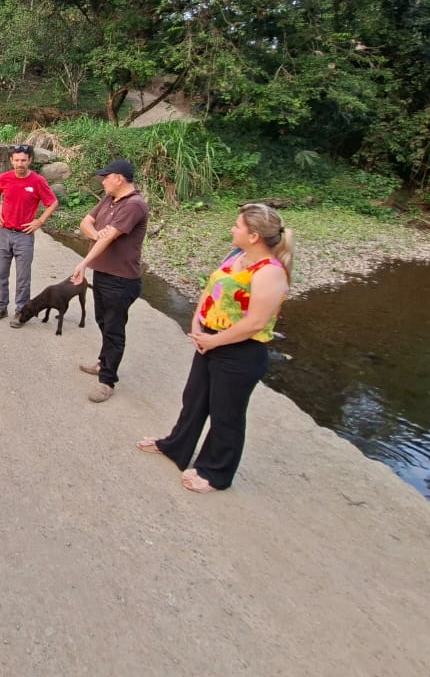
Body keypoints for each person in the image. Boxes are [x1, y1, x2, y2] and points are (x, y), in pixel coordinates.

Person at [137, 203, 293, 493]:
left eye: (237, 226)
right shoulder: (237, 255)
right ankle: (176, 446)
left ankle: (215, 472)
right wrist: (197, 322)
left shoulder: (270, 272)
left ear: (254, 236)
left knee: (226, 414)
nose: (232, 229)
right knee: (194, 399)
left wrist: (214, 341)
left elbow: (256, 322)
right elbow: (212, 290)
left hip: (240, 351)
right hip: (210, 340)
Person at [70, 158, 150, 403]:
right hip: (104, 273)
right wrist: (97, 235)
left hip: (121, 279)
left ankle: (107, 381)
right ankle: (103, 362)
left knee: (114, 329)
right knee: (103, 321)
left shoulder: (134, 205)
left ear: (119, 178)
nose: (103, 181)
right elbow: (85, 222)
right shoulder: (109, 199)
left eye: (106, 177)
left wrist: (83, 263)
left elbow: (110, 237)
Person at [0, 144, 58, 327]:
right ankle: (1, 307)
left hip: (24, 236)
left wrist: (39, 221)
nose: (20, 164)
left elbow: (52, 202)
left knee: (22, 278)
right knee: (1, 273)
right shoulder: (5, 178)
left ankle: (21, 312)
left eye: (24, 160)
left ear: (30, 161)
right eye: (17, 160)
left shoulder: (37, 181)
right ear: (11, 160)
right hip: (4, 233)